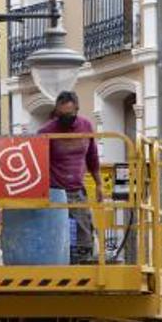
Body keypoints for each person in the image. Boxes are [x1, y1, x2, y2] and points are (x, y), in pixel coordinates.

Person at [38, 91, 104, 263]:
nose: (65, 119)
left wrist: (99, 184)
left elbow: (92, 158)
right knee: (54, 229)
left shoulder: (86, 126)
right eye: (61, 115)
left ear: (77, 109)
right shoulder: (46, 132)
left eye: (69, 114)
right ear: (56, 112)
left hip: (76, 189)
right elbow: (37, 163)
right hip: (54, 190)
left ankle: (84, 258)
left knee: (84, 228)